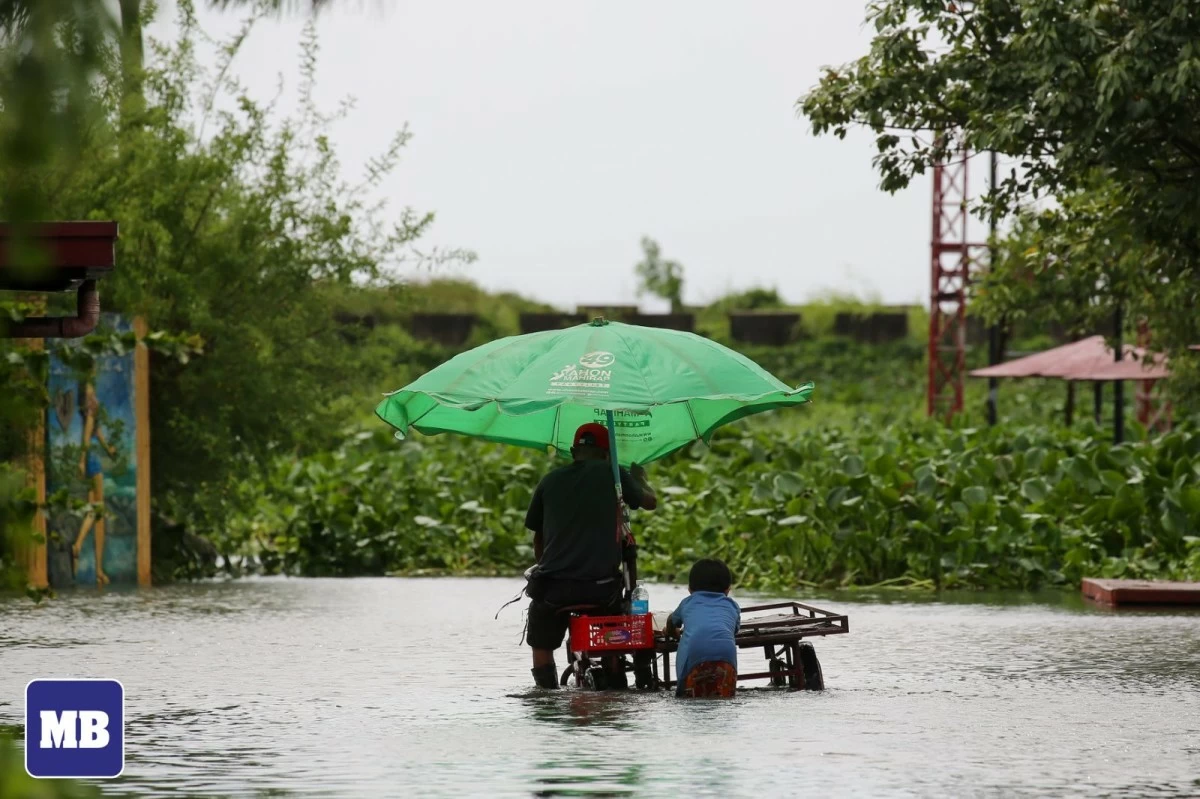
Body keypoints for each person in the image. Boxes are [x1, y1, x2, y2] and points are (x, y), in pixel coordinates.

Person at [524, 422, 658, 689]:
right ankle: (614, 673)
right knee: (613, 632)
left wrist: (545, 567)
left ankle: (546, 693)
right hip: (602, 589)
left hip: (555, 590)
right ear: (608, 453)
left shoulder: (549, 481)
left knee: (541, 640)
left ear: (574, 452)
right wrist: (640, 479)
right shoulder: (615, 475)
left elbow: (538, 536)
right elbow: (649, 502)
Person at [664, 559, 740, 698]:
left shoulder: (687, 603)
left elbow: (671, 620)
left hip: (695, 656)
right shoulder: (733, 606)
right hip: (726, 656)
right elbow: (734, 631)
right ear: (728, 590)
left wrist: (671, 631)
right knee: (726, 697)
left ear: (690, 590)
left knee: (685, 698)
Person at [73, 379, 117, 587]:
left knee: (95, 511)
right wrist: (82, 461)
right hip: (91, 459)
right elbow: (85, 438)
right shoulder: (89, 414)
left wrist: (108, 449)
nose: (93, 396)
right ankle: (79, 543)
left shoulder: (93, 416)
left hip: (92, 456)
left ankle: (99, 569)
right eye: (89, 393)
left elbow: (96, 433)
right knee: (99, 508)